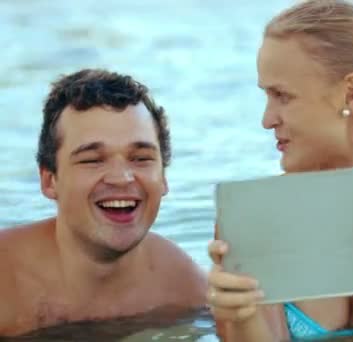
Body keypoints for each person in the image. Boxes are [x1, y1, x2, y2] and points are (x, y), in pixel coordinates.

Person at [206, 0, 353, 341]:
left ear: (350, 94)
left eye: (282, 96)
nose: (266, 119)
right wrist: (239, 319)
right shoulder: (259, 221)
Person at [0, 69, 208, 336]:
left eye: (141, 158)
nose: (121, 178)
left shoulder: (183, 288)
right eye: (92, 160)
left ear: (164, 177)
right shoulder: (7, 285)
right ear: (50, 180)